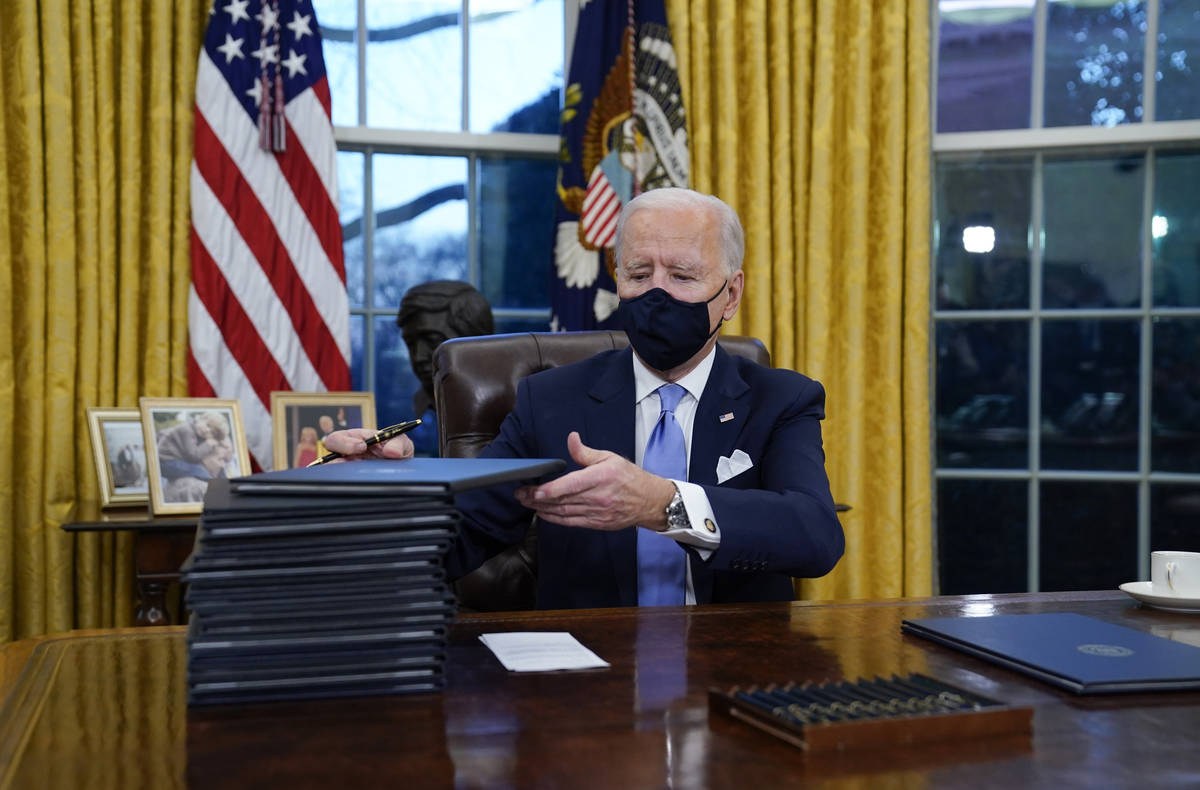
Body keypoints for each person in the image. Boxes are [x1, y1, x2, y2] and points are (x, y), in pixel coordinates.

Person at [325, 188, 844, 608]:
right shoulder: (550, 401)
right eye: (638, 275)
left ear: (730, 294)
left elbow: (814, 537)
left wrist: (663, 504)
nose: (655, 294)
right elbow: (459, 536)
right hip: (586, 681)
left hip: (733, 674)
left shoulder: (781, 399)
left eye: (682, 276)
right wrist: (391, 486)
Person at [396, 280, 495, 456]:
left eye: (433, 341)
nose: (419, 357)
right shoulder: (406, 414)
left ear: (475, 341)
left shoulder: (516, 412)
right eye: (411, 344)